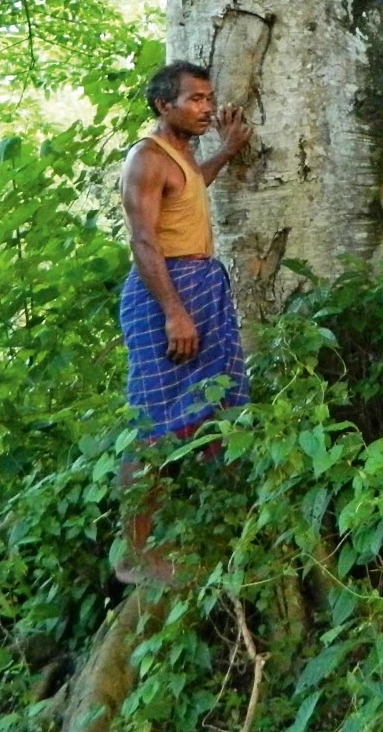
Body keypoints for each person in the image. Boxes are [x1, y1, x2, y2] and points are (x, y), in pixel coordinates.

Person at [114, 60, 252, 584]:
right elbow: (144, 240)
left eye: (208, 98)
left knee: (218, 403)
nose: (207, 108)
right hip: (164, 295)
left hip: (200, 287)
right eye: (194, 99)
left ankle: (209, 529)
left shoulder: (182, 157)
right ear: (162, 105)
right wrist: (174, 311)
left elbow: (191, 189)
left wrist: (226, 152)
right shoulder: (146, 159)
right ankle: (137, 554)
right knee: (152, 418)